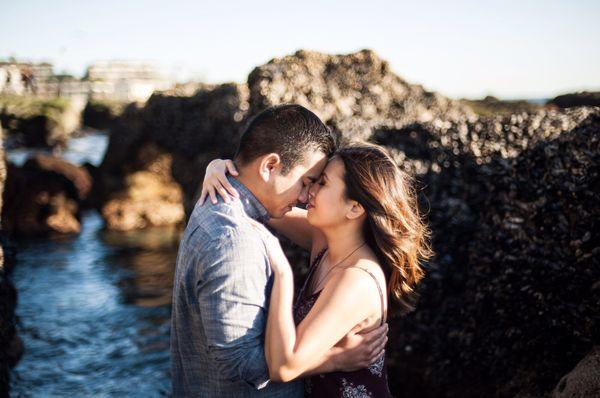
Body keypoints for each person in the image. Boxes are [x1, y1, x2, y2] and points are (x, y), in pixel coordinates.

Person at [170, 104, 388, 397]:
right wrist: (336, 359)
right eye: (310, 181)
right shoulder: (236, 240)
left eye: (319, 184)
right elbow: (249, 367)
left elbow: (261, 202)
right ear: (270, 166)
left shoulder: (216, 206)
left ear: (355, 208)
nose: (306, 195)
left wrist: (227, 174)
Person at [201, 142, 433, 397]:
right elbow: (261, 202)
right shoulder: (325, 239)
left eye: (322, 183)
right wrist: (219, 170)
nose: (309, 190)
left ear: (354, 208)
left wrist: (283, 275)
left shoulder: (357, 279)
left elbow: (283, 367)